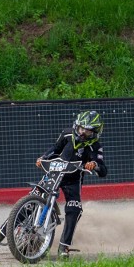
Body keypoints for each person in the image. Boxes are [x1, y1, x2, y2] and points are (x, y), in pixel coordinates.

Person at [39, 110, 108, 258]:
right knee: (36, 194)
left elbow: (103, 169)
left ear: (95, 133)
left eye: (87, 131)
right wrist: (43, 157)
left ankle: (64, 247)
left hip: (74, 179)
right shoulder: (67, 134)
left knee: (74, 208)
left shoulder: (95, 146)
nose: (82, 133)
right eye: (81, 128)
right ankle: (7, 227)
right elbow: (55, 149)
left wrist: (93, 164)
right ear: (76, 126)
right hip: (55, 173)